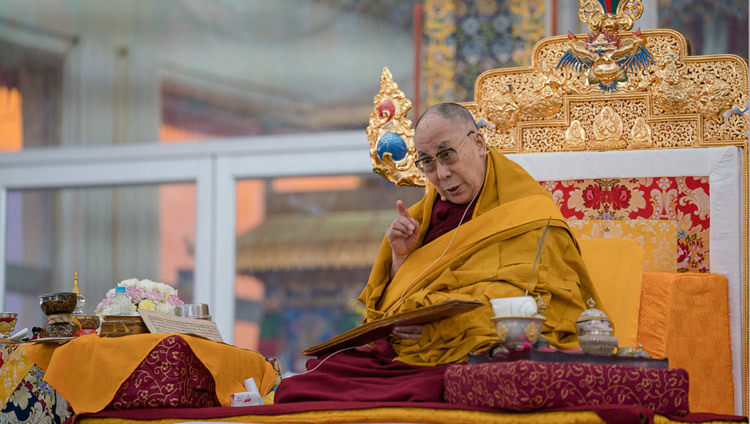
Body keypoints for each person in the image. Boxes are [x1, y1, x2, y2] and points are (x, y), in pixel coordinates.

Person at [274, 103, 602, 403]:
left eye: (447, 155)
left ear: (479, 144)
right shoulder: (420, 219)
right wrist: (401, 259)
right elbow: (382, 318)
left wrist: (436, 328)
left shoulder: (530, 214)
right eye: (428, 162)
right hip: (410, 356)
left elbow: (527, 307)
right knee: (309, 385)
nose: (441, 175)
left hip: (474, 354)